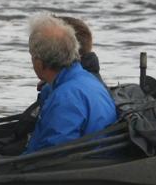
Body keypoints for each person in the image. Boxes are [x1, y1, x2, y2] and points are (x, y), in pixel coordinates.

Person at [23, 14, 117, 154]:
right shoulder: (88, 80)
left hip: (80, 170)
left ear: (39, 62)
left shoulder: (65, 98)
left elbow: (50, 158)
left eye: (32, 54)